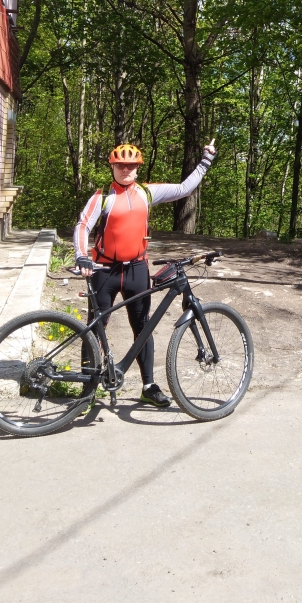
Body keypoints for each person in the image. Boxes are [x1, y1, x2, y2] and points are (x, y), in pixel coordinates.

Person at [73, 140, 217, 407]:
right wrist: (81, 255)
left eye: (131, 166)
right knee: (95, 328)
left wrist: (205, 160)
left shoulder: (146, 192)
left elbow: (184, 189)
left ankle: (148, 386)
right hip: (104, 270)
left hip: (137, 269)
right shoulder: (103, 196)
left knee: (143, 326)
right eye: (120, 165)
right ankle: (87, 390)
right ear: (112, 167)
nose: (125, 170)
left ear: (137, 168)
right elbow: (83, 225)